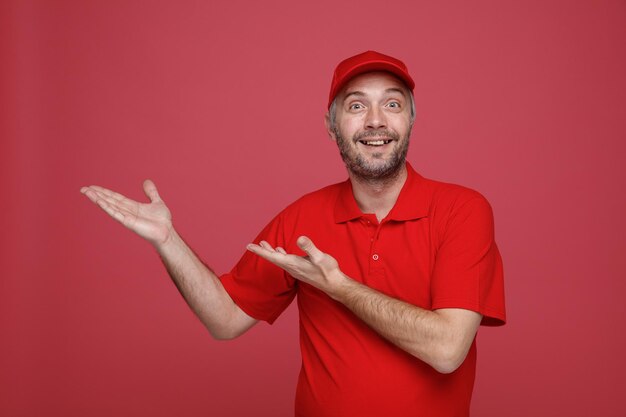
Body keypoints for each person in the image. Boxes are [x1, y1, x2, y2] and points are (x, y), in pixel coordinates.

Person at [81, 50, 506, 417]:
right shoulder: (303, 218)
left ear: (411, 119)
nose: (376, 121)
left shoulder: (461, 211)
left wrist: (338, 287)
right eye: (356, 107)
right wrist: (168, 241)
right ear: (331, 124)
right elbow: (225, 320)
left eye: (392, 105)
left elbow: (448, 350)